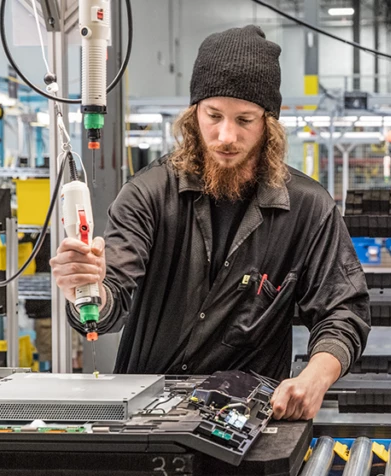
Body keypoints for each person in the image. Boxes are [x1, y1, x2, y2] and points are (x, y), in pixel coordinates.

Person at [50, 25, 370, 421]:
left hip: (250, 418)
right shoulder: (148, 194)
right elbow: (113, 296)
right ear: (194, 114)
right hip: (147, 417)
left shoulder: (307, 208)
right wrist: (90, 289)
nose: (226, 136)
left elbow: (343, 311)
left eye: (245, 119)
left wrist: (316, 376)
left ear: (268, 123)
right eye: (213, 115)